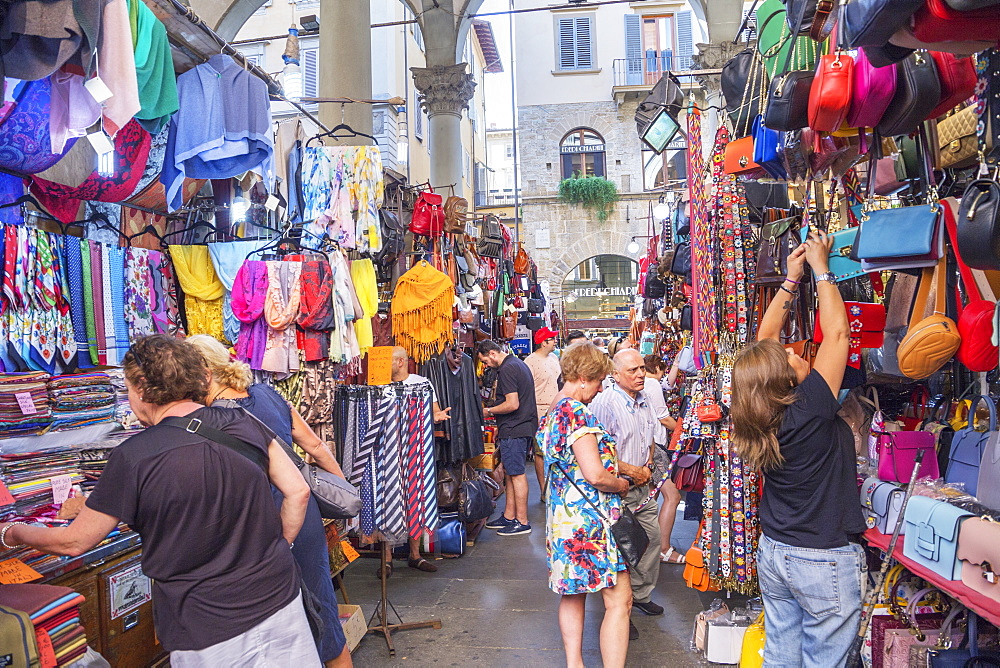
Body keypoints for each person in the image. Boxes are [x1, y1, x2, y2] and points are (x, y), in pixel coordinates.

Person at [0, 335, 319, 666]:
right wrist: (274, 548)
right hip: (280, 600)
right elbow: (298, 491)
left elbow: (74, 542)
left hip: (207, 626)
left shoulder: (135, 456)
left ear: (141, 387)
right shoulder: (243, 422)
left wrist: (14, 532)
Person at [731, 232, 865, 667]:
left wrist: (791, 280)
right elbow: (839, 335)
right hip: (821, 557)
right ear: (785, 380)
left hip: (776, 552)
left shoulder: (753, 409)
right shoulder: (809, 408)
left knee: (782, 658)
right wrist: (822, 270)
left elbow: (763, 341)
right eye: (788, 357)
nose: (791, 350)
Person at [185, 335, 352, 668]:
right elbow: (316, 448)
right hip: (303, 516)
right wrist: (341, 493)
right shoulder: (267, 394)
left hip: (260, 526)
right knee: (323, 609)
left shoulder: (206, 422)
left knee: (276, 627)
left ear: (202, 372)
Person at [537, 342, 632, 668]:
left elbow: (544, 460)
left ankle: (574, 664)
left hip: (562, 519)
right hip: (592, 523)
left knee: (572, 594)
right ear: (580, 377)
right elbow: (595, 474)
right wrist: (620, 483)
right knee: (620, 600)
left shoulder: (554, 411)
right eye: (597, 381)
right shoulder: (578, 414)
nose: (601, 388)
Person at [590, 349, 662, 628]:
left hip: (642, 486)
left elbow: (650, 436)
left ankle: (640, 595)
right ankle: (622, 608)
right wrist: (632, 471)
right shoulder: (605, 403)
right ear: (615, 374)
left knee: (652, 540)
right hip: (617, 490)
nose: (640, 374)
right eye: (632, 370)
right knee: (621, 550)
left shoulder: (644, 400)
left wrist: (647, 464)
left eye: (642, 368)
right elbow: (596, 453)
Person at [388, 345, 451, 571]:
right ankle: (386, 559)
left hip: (417, 448)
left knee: (415, 496)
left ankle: (415, 555)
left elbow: (433, 410)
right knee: (388, 498)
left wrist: (438, 416)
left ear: (401, 362)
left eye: (390, 360)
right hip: (389, 448)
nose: (386, 364)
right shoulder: (380, 382)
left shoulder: (421, 383)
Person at [477, 340, 538, 536]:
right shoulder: (517, 364)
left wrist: (487, 411)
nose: (485, 365)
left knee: (517, 474)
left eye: (485, 361)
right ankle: (510, 516)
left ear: (493, 354)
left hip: (515, 427)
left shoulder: (508, 369)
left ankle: (522, 521)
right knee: (511, 473)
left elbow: (512, 404)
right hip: (519, 426)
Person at [642, 355, 684, 565]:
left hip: (647, 445)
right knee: (672, 496)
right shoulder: (651, 384)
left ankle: (649, 544)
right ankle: (663, 548)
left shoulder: (645, 383)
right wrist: (684, 432)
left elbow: (668, 383)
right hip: (655, 446)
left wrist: (676, 364)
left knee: (649, 497)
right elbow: (664, 417)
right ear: (657, 368)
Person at [524, 327, 562, 494]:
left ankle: (557, 488)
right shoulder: (530, 362)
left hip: (558, 409)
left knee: (559, 449)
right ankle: (543, 491)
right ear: (544, 342)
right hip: (540, 410)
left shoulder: (554, 358)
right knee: (540, 452)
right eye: (552, 339)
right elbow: (526, 389)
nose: (555, 341)